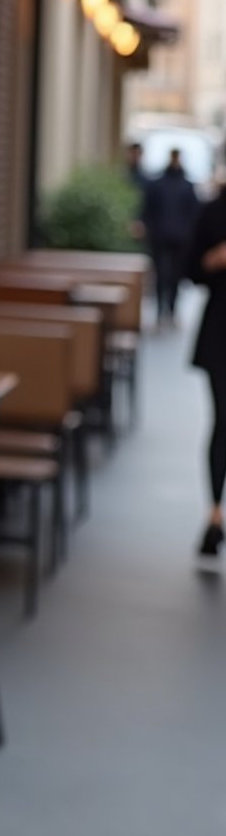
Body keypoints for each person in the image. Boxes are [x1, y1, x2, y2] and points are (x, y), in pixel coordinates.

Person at [189, 180, 226, 562]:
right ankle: (214, 513)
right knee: (223, 422)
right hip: (221, 332)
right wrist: (213, 261)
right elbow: (191, 269)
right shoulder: (214, 209)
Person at [143, 148, 201, 327]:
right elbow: (148, 210)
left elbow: (194, 214)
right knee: (161, 276)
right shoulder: (158, 184)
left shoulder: (187, 186)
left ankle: (172, 310)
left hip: (180, 239)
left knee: (176, 277)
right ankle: (161, 313)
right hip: (160, 237)